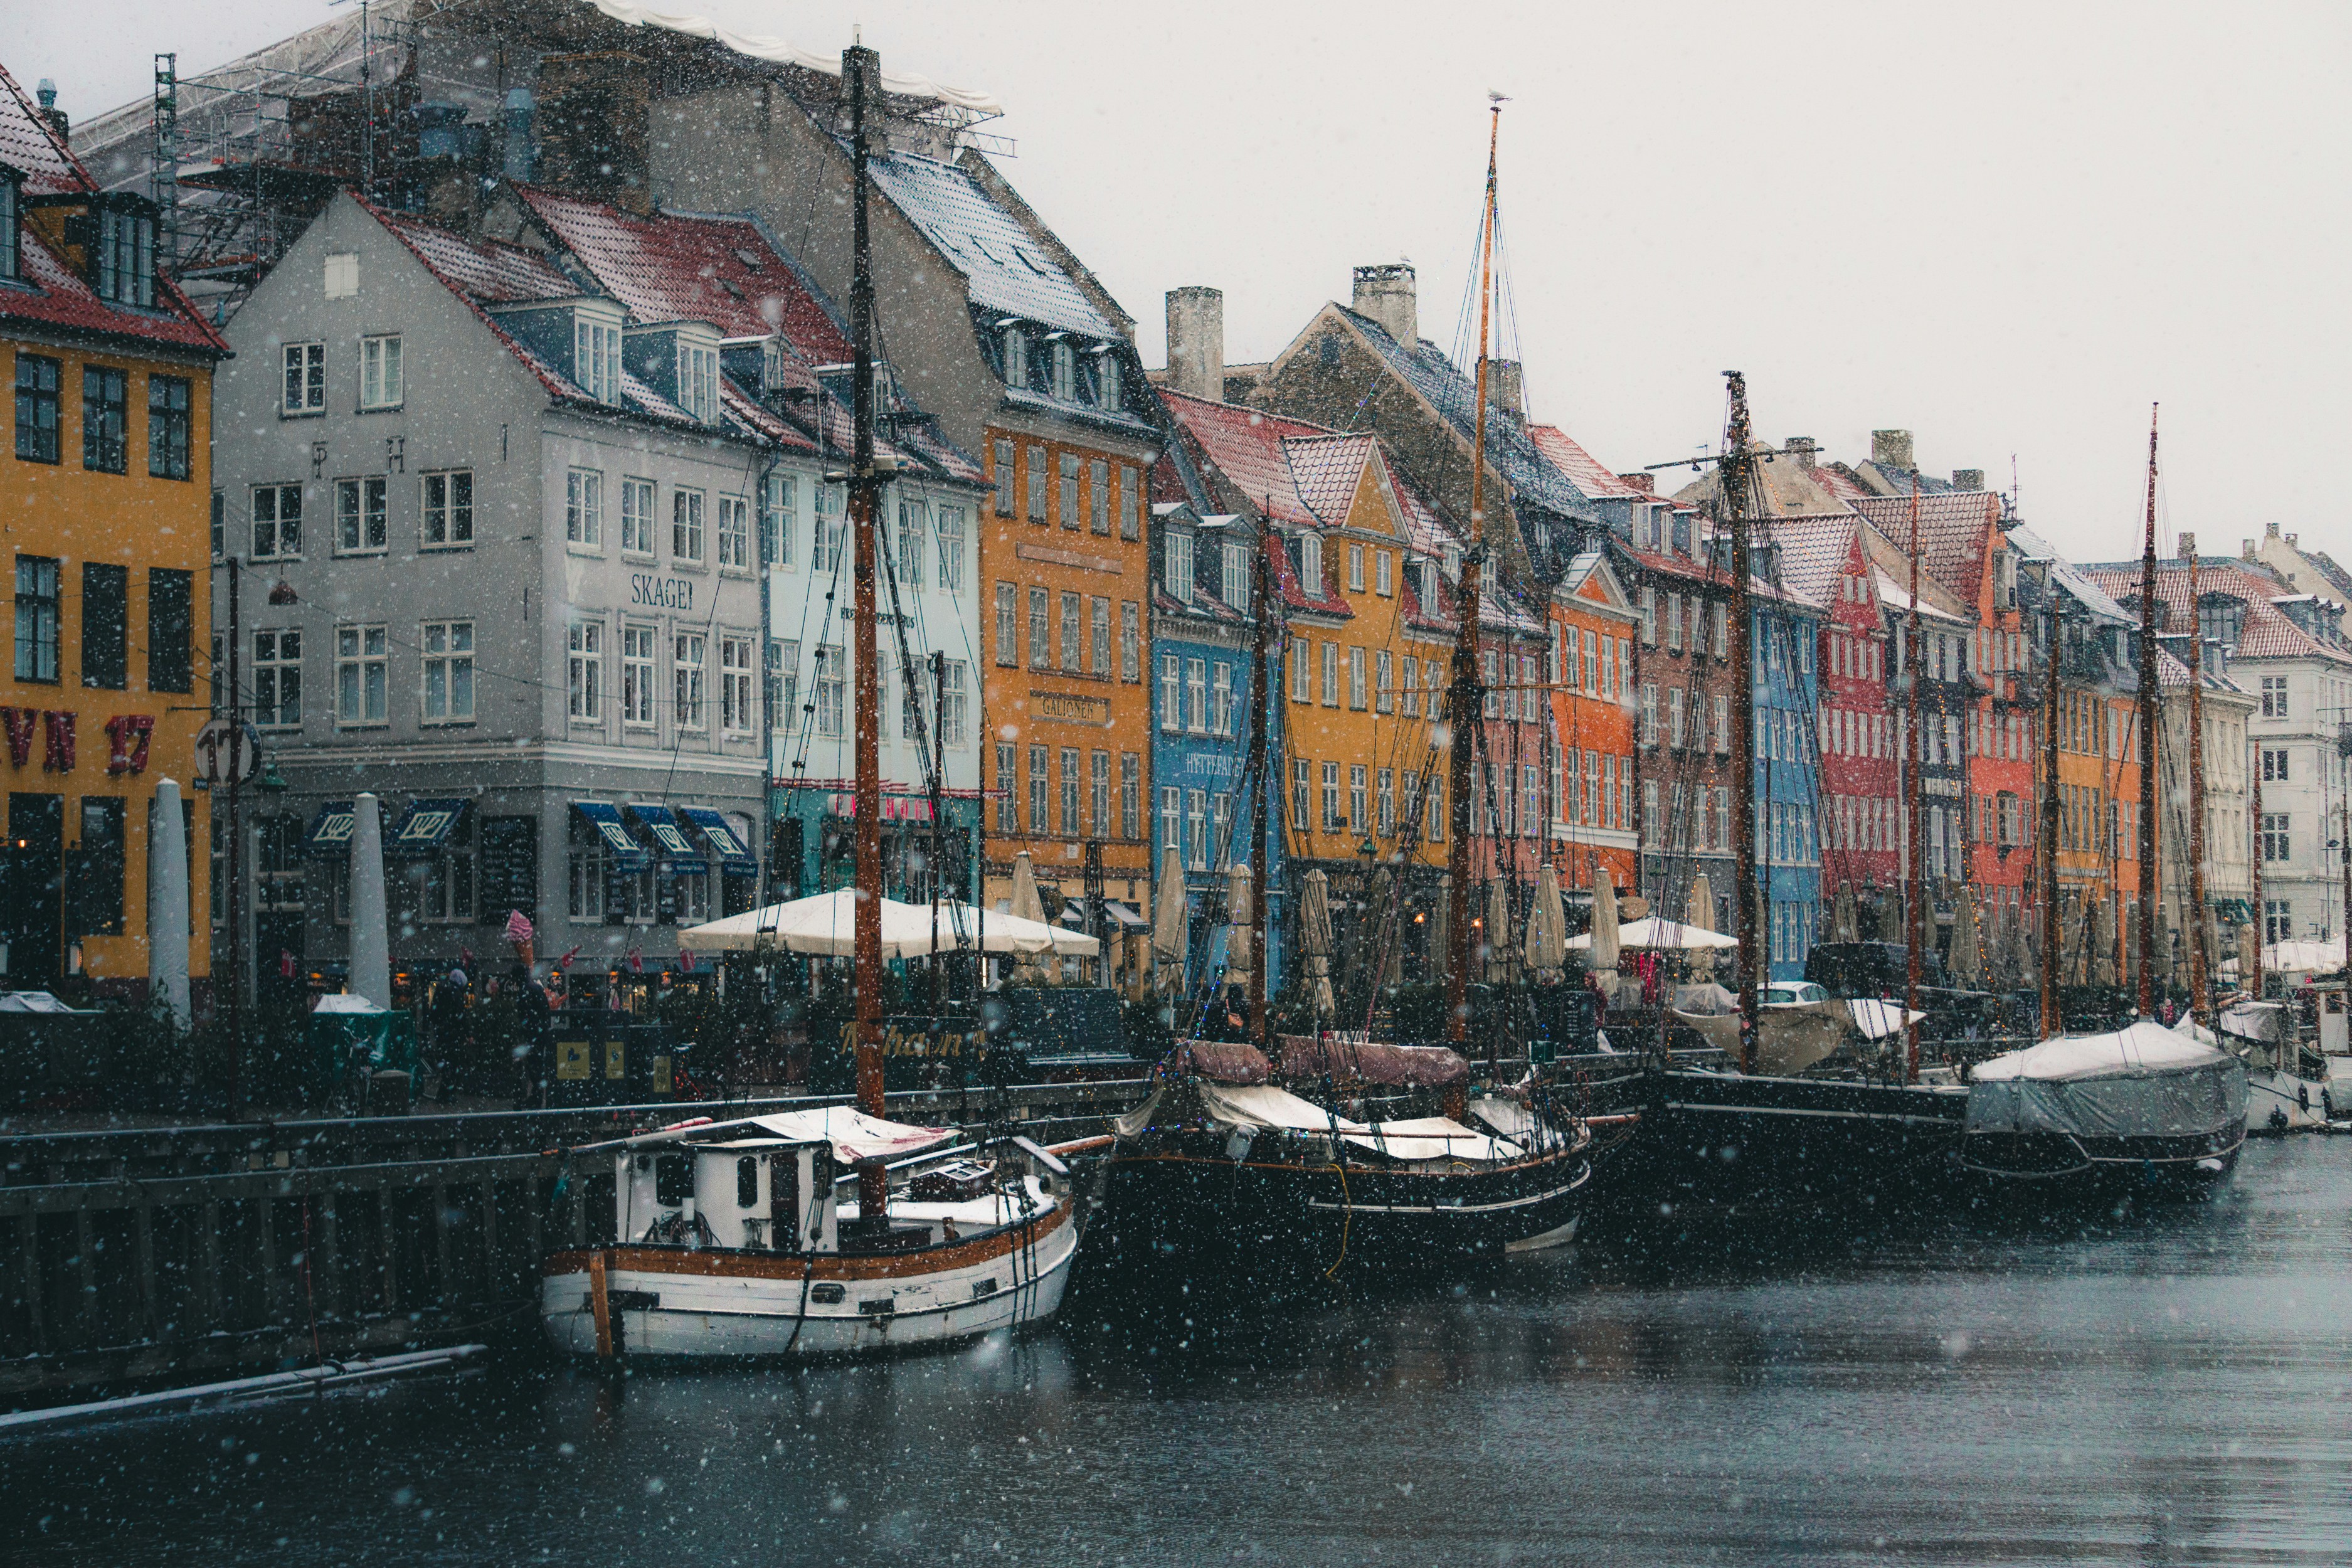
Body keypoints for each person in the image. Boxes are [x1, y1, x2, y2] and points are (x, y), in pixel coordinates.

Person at [512, 962, 554, 1108]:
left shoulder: (525, 991)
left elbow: (525, 1015)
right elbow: (545, 1012)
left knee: (534, 1066)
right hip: (539, 1033)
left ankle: (535, 1098)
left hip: (532, 1035)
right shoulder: (536, 988)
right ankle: (537, 1096)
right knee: (537, 1066)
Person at [430, 968, 470, 1101]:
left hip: (441, 1033)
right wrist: (467, 1033)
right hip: (453, 1035)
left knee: (446, 1063)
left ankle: (444, 1093)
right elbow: (461, 1016)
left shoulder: (440, 990)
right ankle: (446, 1093)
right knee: (453, 1064)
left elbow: (433, 1012)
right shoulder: (457, 994)